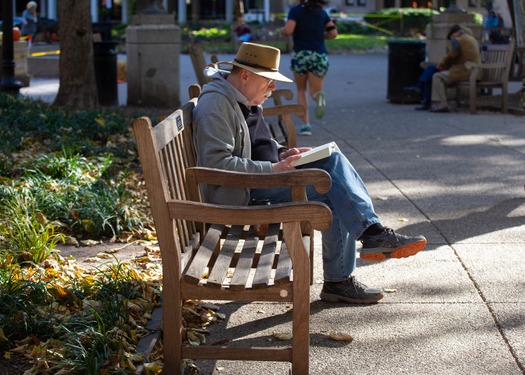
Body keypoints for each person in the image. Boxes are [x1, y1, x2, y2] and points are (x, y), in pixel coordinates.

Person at [193, 42, 427, 304]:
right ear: (245, 75)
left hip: (262, 179)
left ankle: (348, 270)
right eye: (269, 81)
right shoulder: (216, 104)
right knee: (333, 179)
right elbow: (216, 164)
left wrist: (283, 153)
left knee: (333, 174)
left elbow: (258, 144)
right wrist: (273, 168)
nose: (273, 88)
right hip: (242, 193)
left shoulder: (242, 97)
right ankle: (367, 242)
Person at [280, 0, 338, 136]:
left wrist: (282, 30)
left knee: (301, 90)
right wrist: (321, 35)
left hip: (301, 55)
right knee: (315, 91)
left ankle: (306, 125)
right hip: (319, 55)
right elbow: (334, 33)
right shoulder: (322, 13)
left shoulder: (295, 11)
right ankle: (318, 97)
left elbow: (288, 30)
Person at [429, 24, 481, 113]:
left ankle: (442, 103)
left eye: (451, 37)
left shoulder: (457, 40)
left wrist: (441, 63)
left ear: (455, 34)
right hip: (476, 72)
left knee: (437, 76)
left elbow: (451, 56)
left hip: (466, 72)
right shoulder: (472, 39)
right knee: (442, 75)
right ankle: (441, 102)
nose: (451, 40)